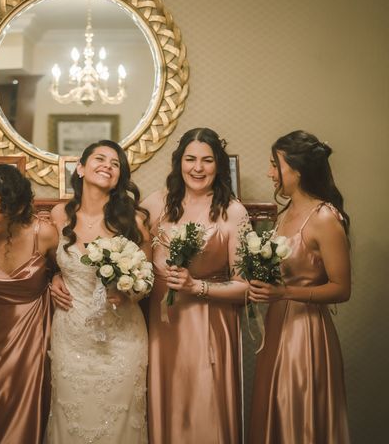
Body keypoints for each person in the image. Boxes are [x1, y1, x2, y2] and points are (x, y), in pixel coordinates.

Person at [142, 127, 249, 443]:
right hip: (160, 325)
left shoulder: (233, 212)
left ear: (219, 165)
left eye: (207, 160)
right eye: (190, 159)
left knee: (205, 409)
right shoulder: (154, 205)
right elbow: (123, 249)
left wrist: (197, 287)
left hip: (209, 326)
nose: (198, 168)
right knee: (165, 405)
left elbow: (246, 289)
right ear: (179, 163)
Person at [248, 130, 351, 443]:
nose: (269, 172)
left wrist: (285, 293)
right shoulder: (285, 213)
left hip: (306, 335)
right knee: (273, 410)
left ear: (297, 170)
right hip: (277, 325)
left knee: (299, 414)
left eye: (274, 165)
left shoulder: (325, 218)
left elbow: (341, 289)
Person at [47, 140, 151, 443]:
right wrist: (54, 276)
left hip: (122, 337)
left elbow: (148, 277)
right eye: (100, 159)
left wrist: (130, 293)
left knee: (118, 420)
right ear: (80, 168)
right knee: (72, 417)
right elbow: (48, 262)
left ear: (119, 177)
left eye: (115, 163)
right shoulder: (58, 215)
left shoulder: (134, 220)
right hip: (71, 335)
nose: (107, 165)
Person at [0, 164, 58, 444]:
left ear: (16, 209)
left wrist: (58, 280)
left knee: (33, 406)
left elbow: (65, 273)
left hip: (38, 330)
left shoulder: (45, 234)